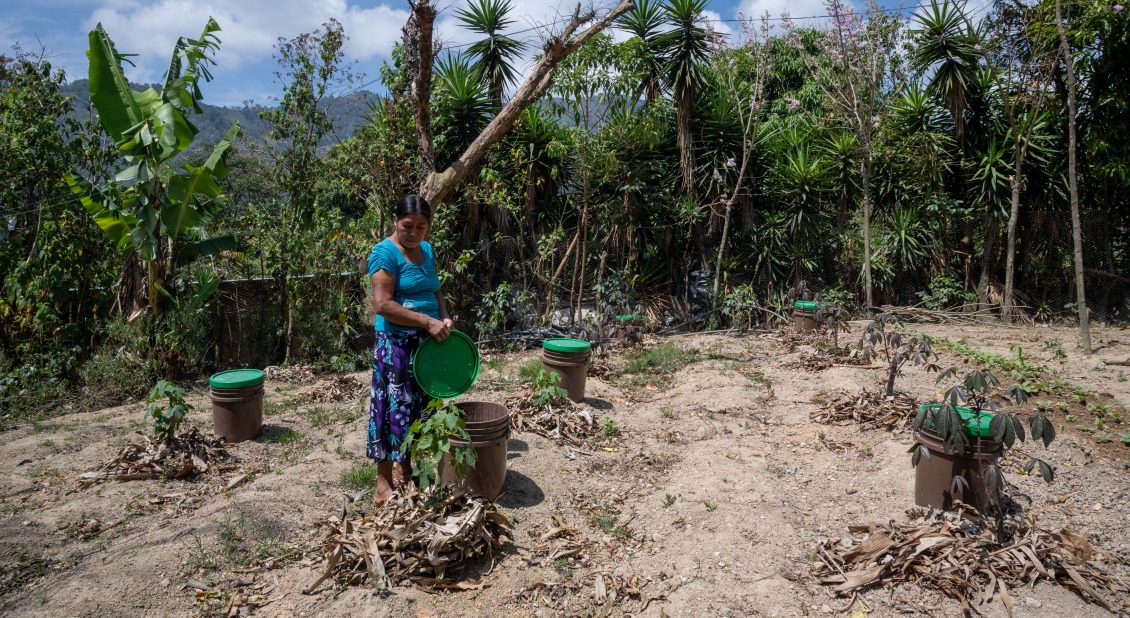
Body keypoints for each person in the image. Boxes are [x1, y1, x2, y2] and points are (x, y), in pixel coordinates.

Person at [367, 194, 453, 504]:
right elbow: (382, 304)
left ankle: (407, 468)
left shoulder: (426, 250)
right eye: (407, 226)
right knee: (392, 410)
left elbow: (435, 287)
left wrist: (442, 316)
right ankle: (382, 482)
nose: (414, 233)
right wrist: (425, 321)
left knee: (420, 408)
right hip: (397, 345)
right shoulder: (384, 254)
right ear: (394, 220)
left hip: (427, 344)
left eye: (421, 226)